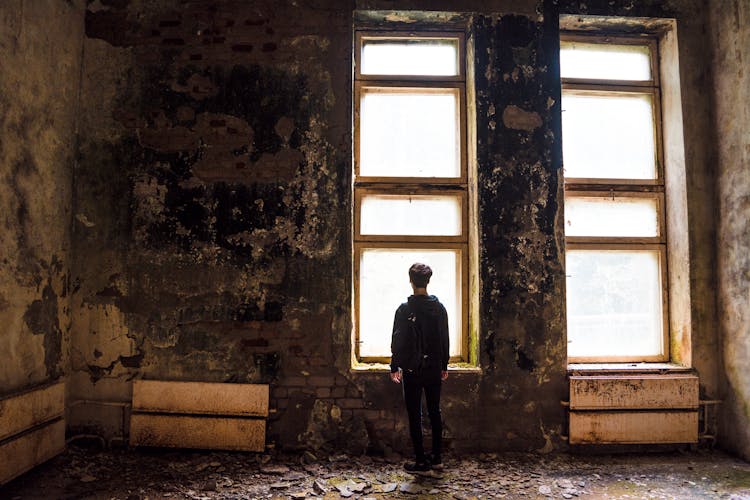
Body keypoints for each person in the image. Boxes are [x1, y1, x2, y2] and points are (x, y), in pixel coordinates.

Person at [390, 263, 449, 473]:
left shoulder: (405, 310)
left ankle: (421, 461)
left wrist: (394, 365)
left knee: (415, 415)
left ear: (410, 280)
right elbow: (444, 338)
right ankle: (437, 458)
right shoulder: (439, 308)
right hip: (433, 367)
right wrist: (444, 364)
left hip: (413, 369)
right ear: (428, 280)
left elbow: (398, 340)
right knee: (435, 412)